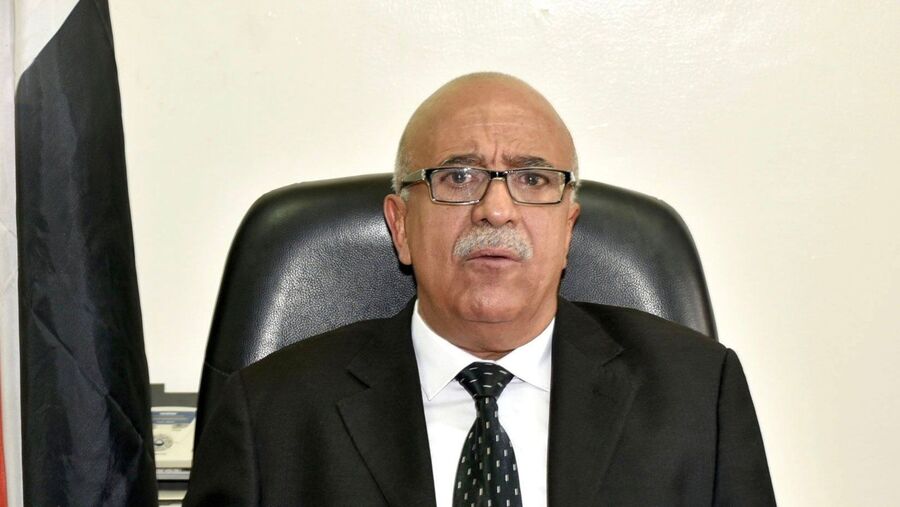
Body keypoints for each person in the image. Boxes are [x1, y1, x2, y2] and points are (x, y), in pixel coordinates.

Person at [184, 73, 776, 506]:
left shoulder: (699, 394)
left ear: (568, 229)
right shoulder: (270, 415)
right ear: (401, 226)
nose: (496, 209)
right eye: (458, 176)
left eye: (533, 179)